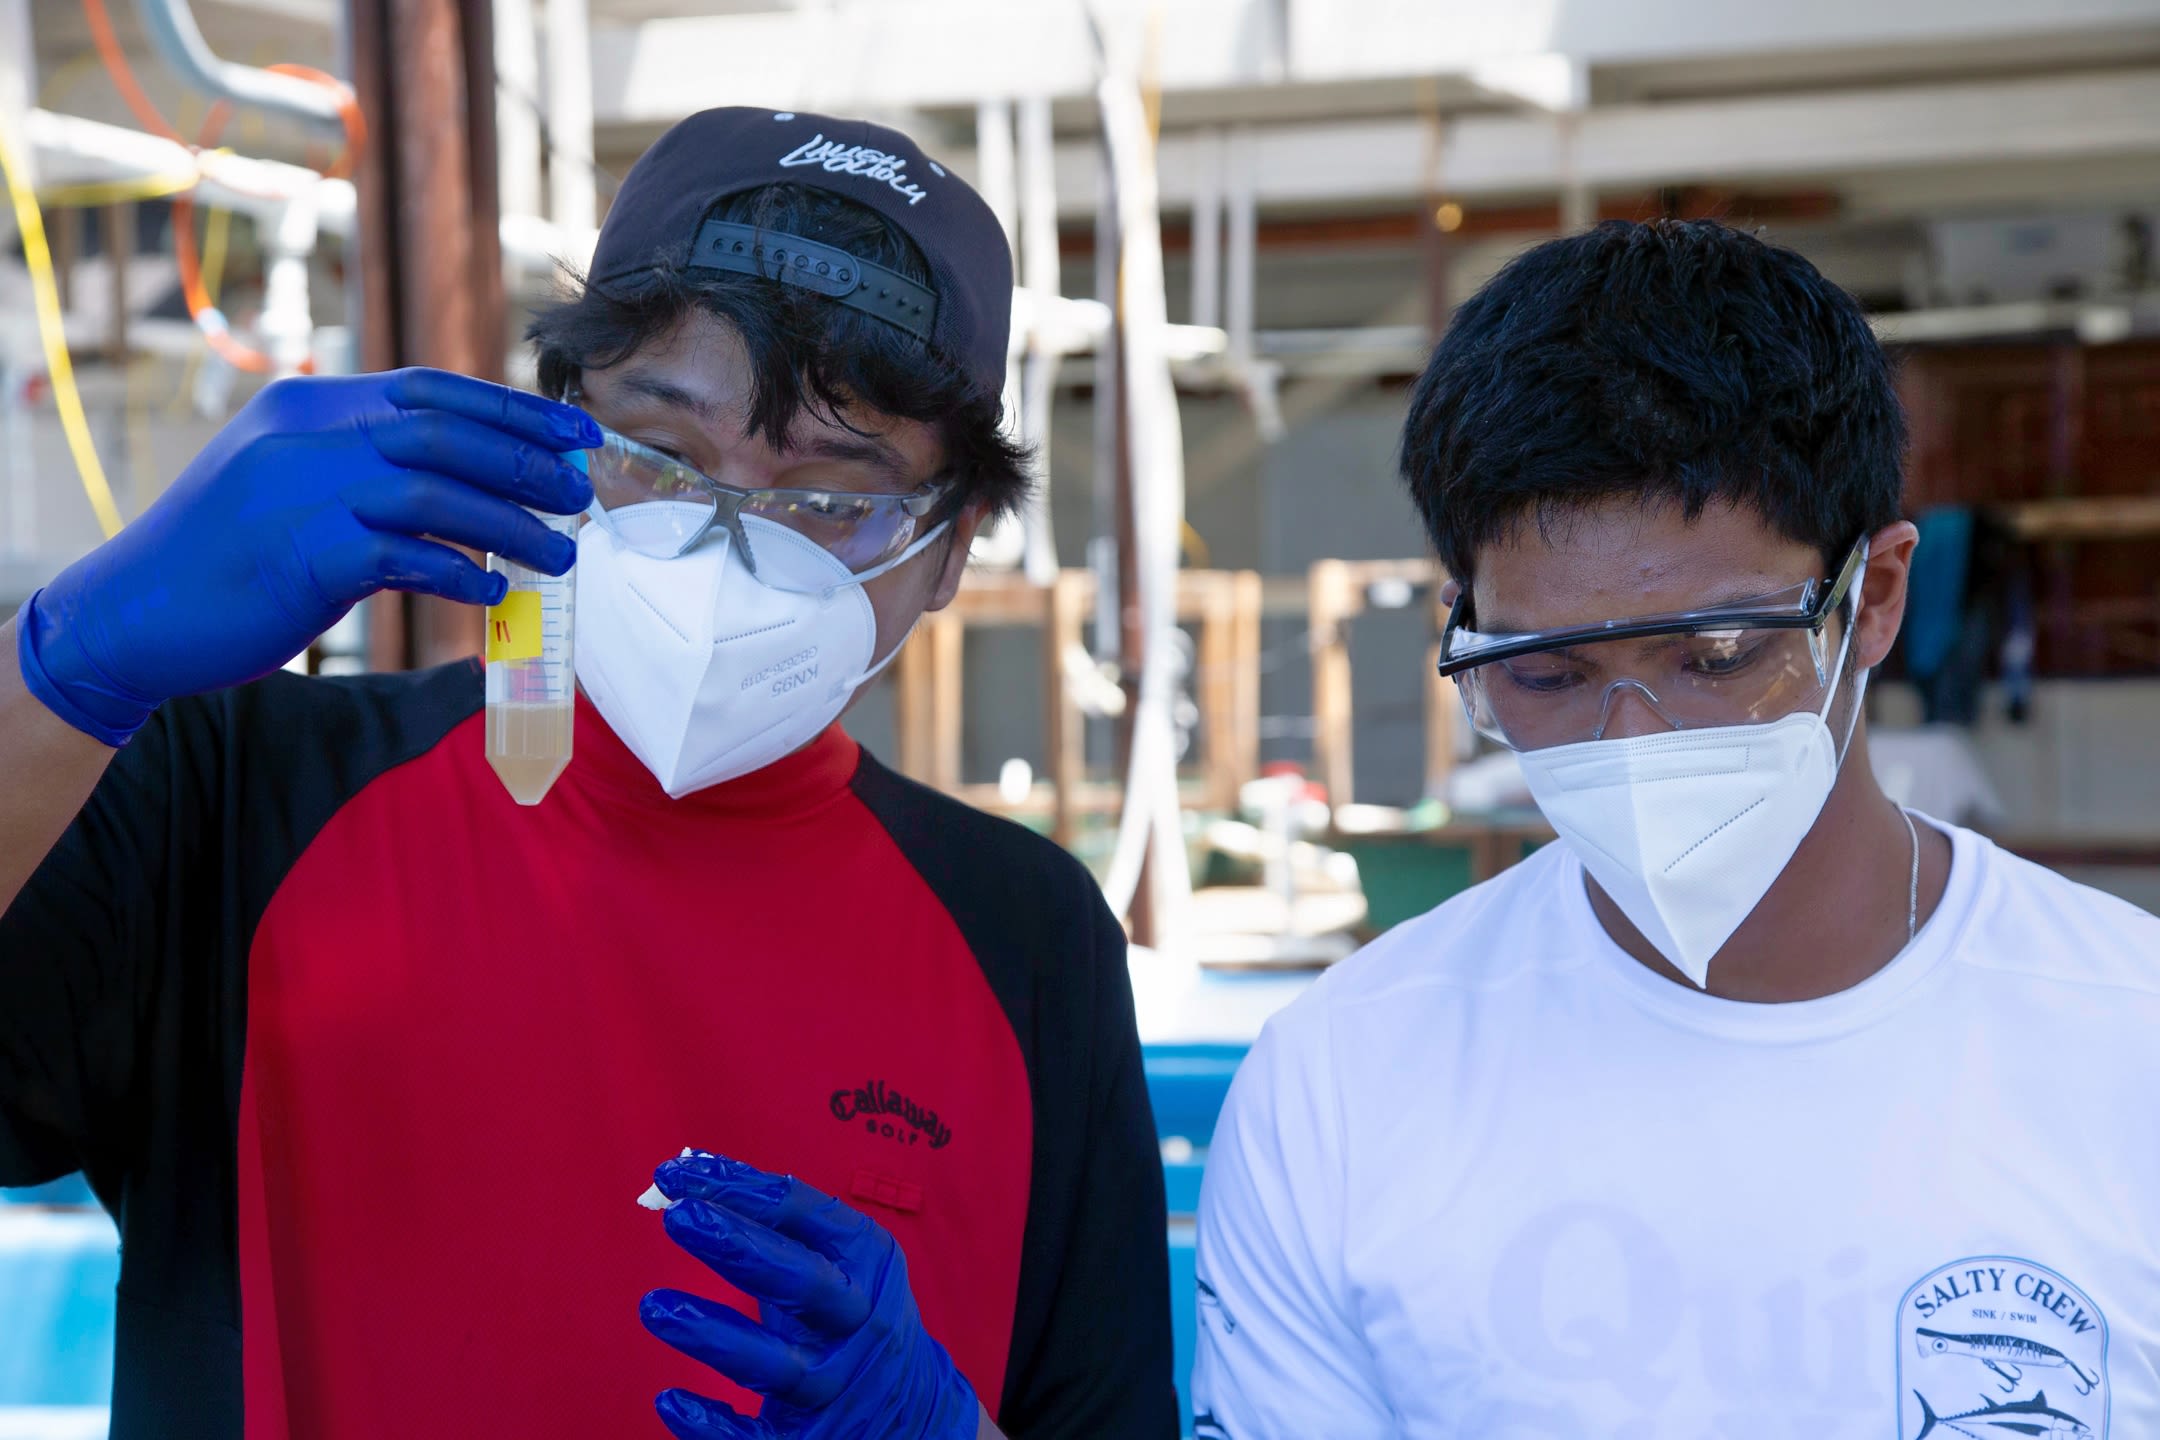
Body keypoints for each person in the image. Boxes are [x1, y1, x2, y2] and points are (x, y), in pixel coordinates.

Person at [1, 107, 1174, 1440]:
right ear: (558, 428)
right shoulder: (242, 797)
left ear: (954, 547)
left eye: (832, 497)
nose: (727, 539)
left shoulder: (1028, 941)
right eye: (663, 453)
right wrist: (64, 661)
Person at [1190, 220, 2159, 1436]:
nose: (1633, 744)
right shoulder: (1341, 1085)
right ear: (1465, 630)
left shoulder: (2126, 1046)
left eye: (1715, 658)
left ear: (1877, 600)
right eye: (1546, 676)